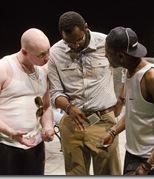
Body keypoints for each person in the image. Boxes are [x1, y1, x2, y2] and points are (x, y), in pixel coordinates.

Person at [48, 11, 124, 175]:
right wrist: (68, 107)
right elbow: (55, 92)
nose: (75, 45)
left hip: (103, 121)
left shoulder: (106, 43)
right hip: (73, 123)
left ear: (86, 28)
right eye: (69, 43)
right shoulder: (55, 52)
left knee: (108, 173)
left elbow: (128, 68)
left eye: (78, 40)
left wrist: (122, 99)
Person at [0, 28, 54, 175]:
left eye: (48, 51)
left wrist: (48, 127)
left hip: (35, 145)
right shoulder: (1, 69)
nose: (47, 58)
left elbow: (46, 105)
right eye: (41, 54)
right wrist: (10, 132)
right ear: (24, 52)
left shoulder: (43, 71)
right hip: (5, 145)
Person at [103, 26, 154, 175]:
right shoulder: (128, 72)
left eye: (108, 52)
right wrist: (113, 132)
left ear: (121, 55)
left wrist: (148, 165)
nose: (105, 55)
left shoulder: (152, 77)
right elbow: (132, 113)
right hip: (132, 153)